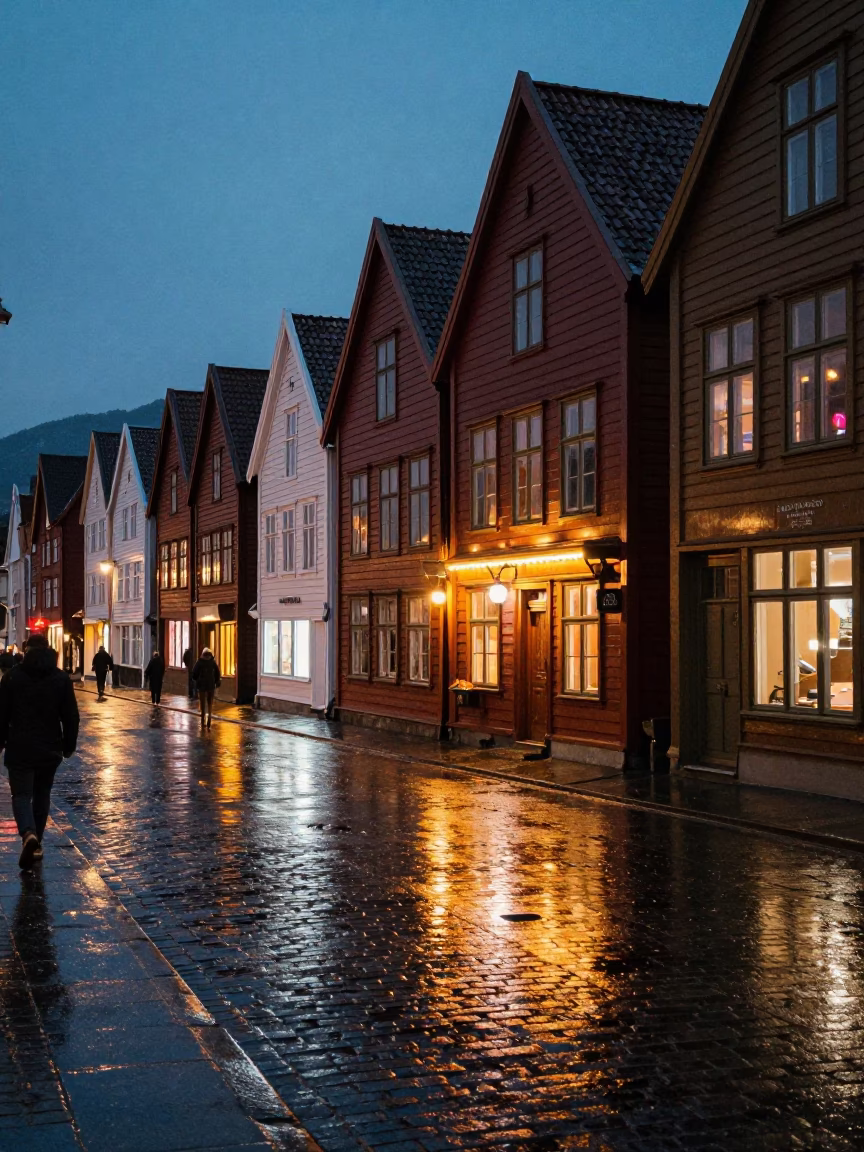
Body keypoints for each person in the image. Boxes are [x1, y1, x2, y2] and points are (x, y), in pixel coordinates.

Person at [0, 633, 79, 869]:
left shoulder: (12, 677)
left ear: (26, 649)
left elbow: (1, 715)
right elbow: (71, 716)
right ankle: (38, 843)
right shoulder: (61, 678)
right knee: (42, 795)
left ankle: (28, 835)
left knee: (22, 795)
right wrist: (68, 745)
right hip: (50, 747)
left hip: (20, 747)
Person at [191, 647, 220, 729]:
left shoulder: (199, 662)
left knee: (202, 703)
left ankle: (203, 720)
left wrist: (196, 680)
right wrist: (216, 681)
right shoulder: (212, 662)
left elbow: (194, 674)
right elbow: (217, 672)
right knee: (210, 702)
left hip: (201, 685)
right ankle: (209, 716)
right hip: (211, 685)